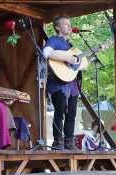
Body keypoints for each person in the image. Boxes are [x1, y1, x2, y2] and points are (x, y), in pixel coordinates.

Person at [43, 15, 88, 150]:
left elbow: (80, 65)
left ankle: (69, 141)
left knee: (72, 113)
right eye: (66, 24)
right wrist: (68, 58)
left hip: (72, 84)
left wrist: (79, 61)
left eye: (70, 24)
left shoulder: (71, 46)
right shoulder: (54, 40)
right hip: (58, 84)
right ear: (57, 27)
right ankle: (58, 141)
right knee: (60, 111)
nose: (69, 26)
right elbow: (46, 52)